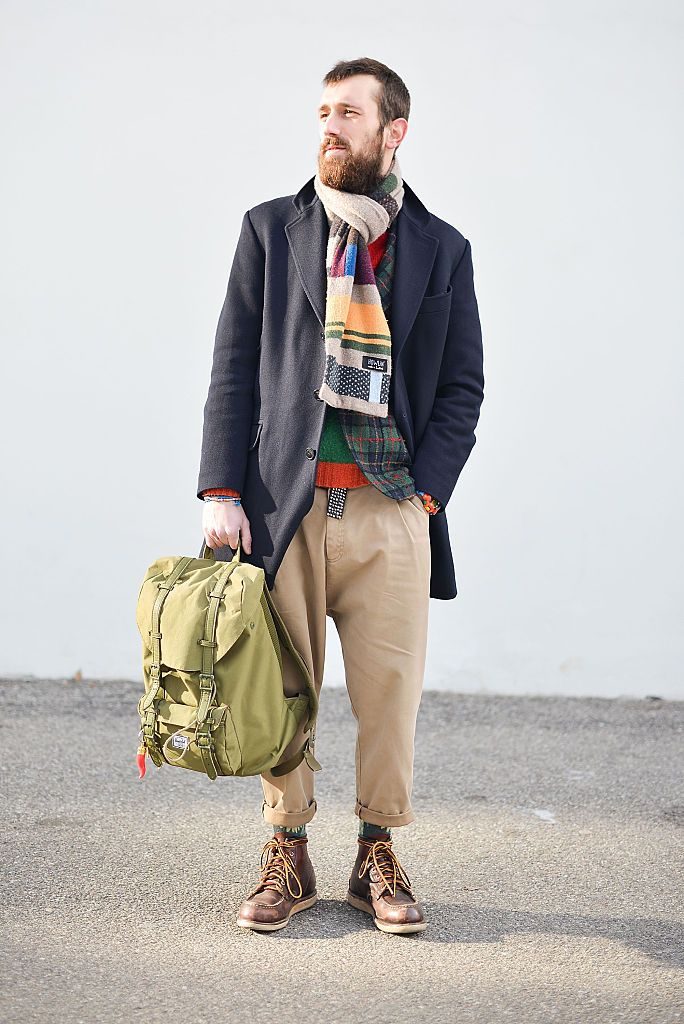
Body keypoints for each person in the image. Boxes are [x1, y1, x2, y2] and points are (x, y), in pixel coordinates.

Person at [197, 57, 484, 934]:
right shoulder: (270, 230)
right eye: (323, 110)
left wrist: (424, 498)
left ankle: (376, 850)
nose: (330, 126)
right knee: (283, 689)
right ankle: (287, 849)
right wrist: (220, 489)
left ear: (392, 131)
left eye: (349, 113)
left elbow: (463, 388)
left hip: (390, 507)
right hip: (284, 508)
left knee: (389, 696)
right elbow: (234, 366)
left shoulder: (442, 248)